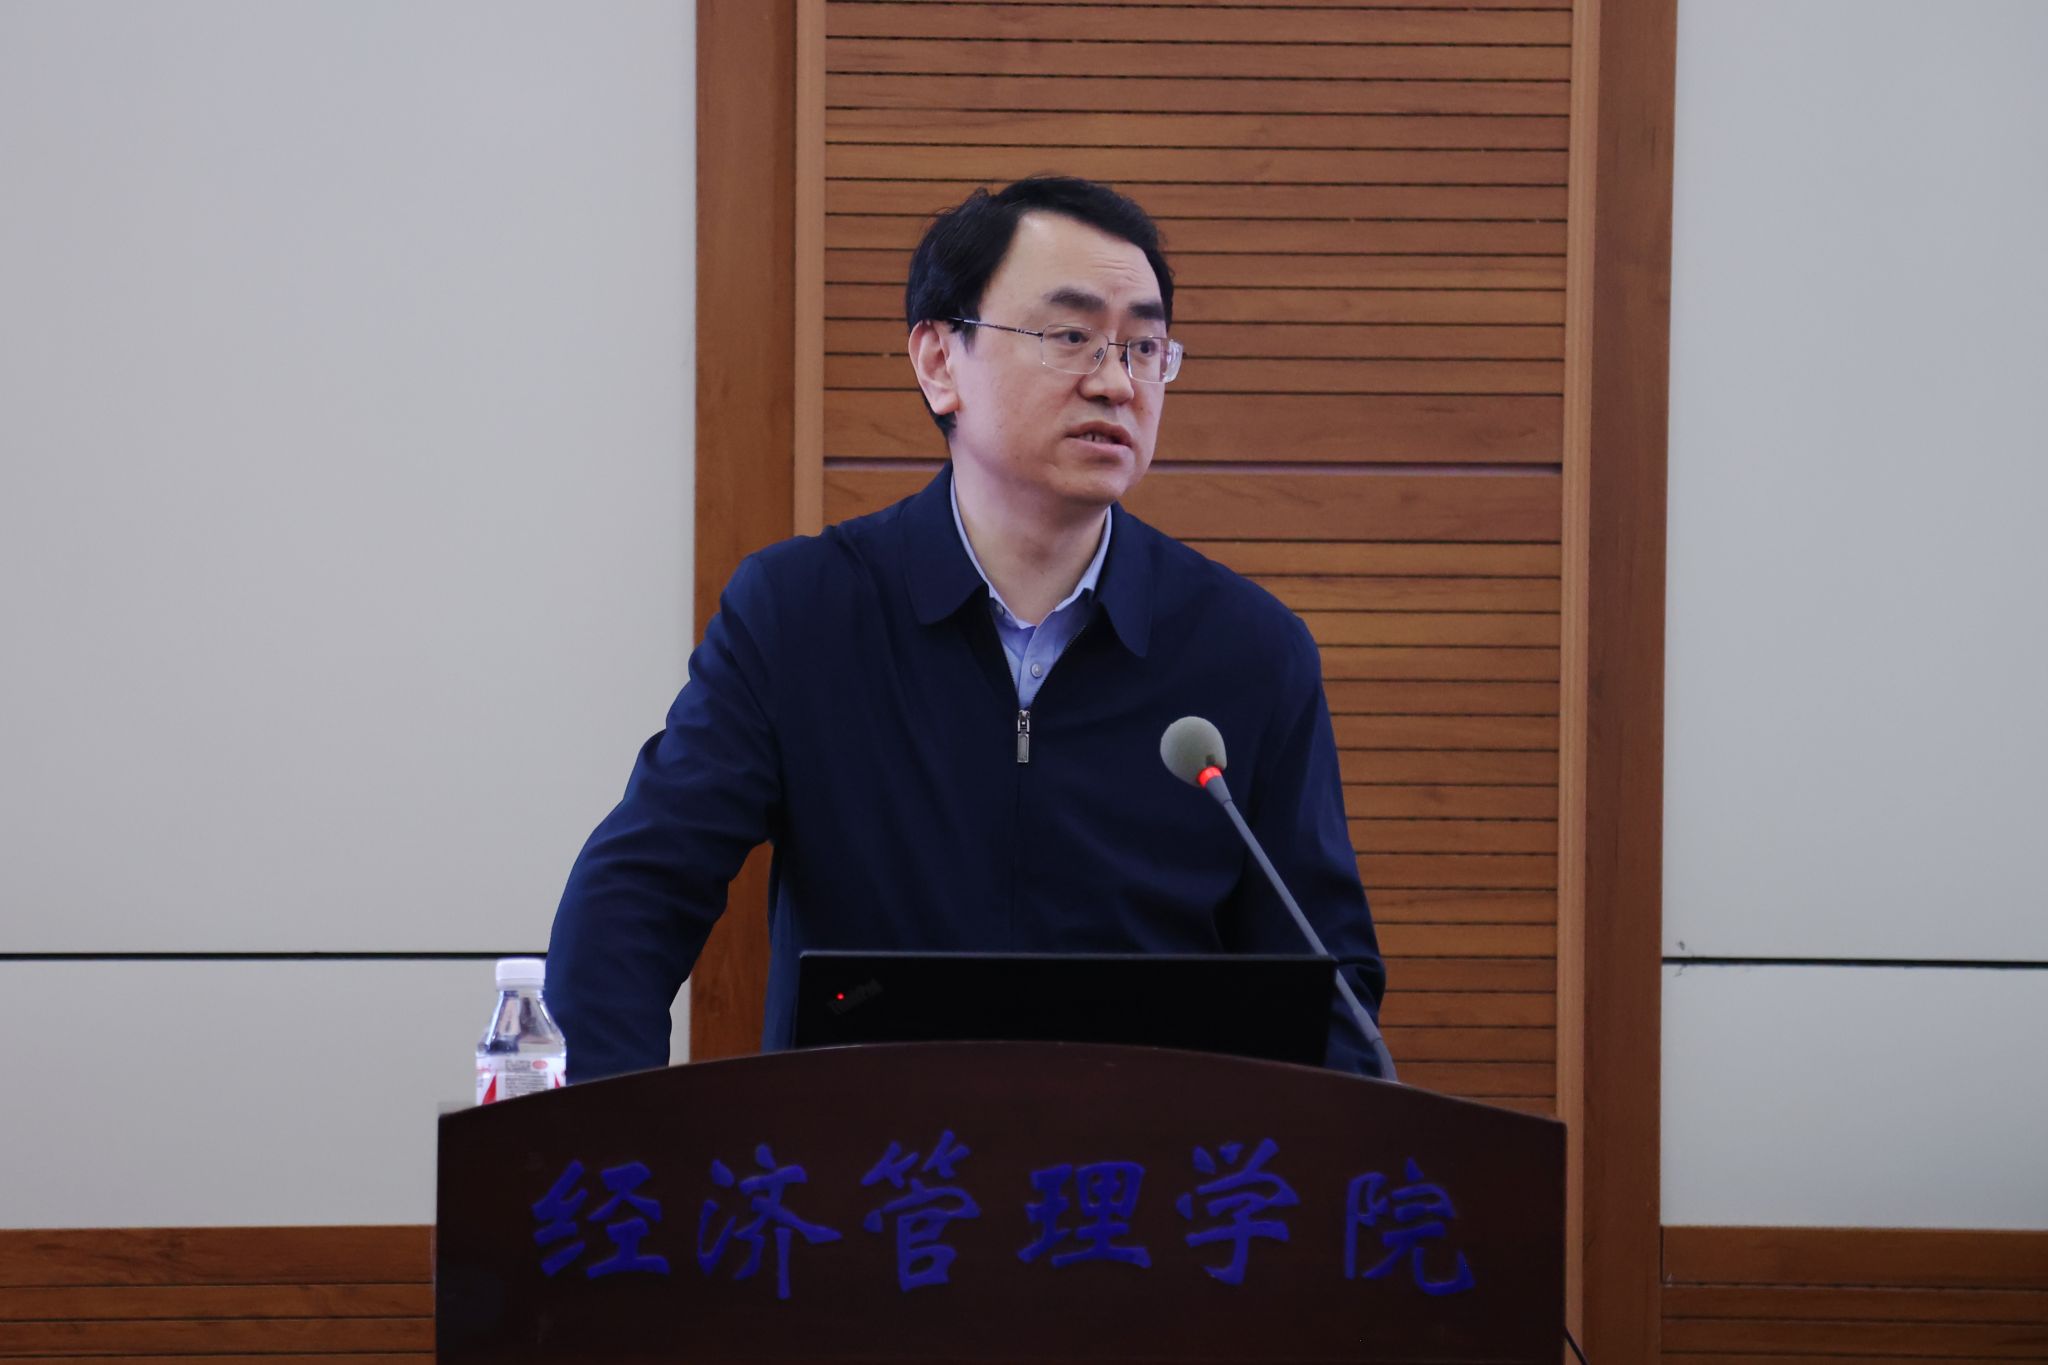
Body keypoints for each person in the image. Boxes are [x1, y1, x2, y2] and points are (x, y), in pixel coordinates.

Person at [545, 176, 1387, 1082]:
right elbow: (634, 899)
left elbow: (1329, 990)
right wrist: (606, 1138)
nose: (1115, 382)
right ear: (940, 361)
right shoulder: (802, 615)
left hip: (1146, 1160)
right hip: (866, 1157)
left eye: (1143, 347)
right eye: (1070, 337)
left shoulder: (1248, 651)